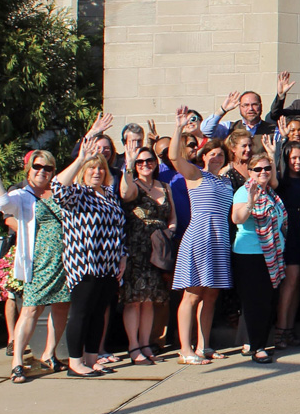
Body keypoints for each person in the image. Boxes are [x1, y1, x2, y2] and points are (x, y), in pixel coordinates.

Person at [0, 152, 70, 383]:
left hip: (64, 261)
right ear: (29, 169)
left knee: (61, 307)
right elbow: (2, 204)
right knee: (31, 309)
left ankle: (49, 355)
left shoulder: (60, 191)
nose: (42, 171)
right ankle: (17, 362)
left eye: (48, 168)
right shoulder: (22, 195)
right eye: (37, 167)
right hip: (38, 263)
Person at [52, 138, 128, 377]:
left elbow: (120, 228)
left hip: (108, 265)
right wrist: (80, 160)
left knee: (98, 314)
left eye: (101, 168)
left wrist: (123, 257)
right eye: (92, 168)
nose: (97, 172)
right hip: (84, 263)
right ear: (84, 172)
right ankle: (75, 363)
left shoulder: (108, 194)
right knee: (82, 313)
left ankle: (92, 358)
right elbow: (57, 186)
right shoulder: (77, 194)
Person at [169, 108, 235, 365]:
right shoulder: (196, 175)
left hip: (218, 241)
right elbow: (175, 157)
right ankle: (185, 349)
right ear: (204, 156)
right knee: (192, 294)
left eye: (220, 154)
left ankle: (203, 345)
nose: (217, 157)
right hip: (199, 238)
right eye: (212, 153)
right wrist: (179, 128)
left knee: (211, 295)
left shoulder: (226, 182)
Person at [119, 142, 176, 365]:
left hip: (158, 250)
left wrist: (170, 230)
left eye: (149, 161)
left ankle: (145, 343)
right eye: (140, 162)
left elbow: (172, 216)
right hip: (136, 248)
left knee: (150, 299)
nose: (145, 165)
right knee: (134, 300)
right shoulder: (133, 185)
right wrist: (129, 165)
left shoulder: (165, 187)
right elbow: (125, 193)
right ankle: (133, 346)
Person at [230, 151, 287, 363]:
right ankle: (257, 347)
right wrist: (251, 203)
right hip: (250, 254)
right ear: (249, 172)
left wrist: (273, 154)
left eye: (267, 168)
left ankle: (258, 343)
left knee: (268, 301)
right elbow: (237, 218)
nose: (263, 172)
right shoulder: (244, 192)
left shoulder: (270, 192)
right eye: (258, 169)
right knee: (255, 303)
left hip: (271, 254)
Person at [274, 142, 300, 349]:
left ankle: (288, 330)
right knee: (290, 282)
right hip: (288, 233)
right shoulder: (281, 181)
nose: (298, 161)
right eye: (293, 158)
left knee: (296, 284)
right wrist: (273, 153)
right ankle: (280, 329)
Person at [202, 90, 276, 139]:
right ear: (240, 107)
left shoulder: (274, 130)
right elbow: (205, 130)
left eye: (254, 105)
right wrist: (222, 110)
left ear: (260, 106)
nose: (250, 108)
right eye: (246, 105)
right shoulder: (229, 128)